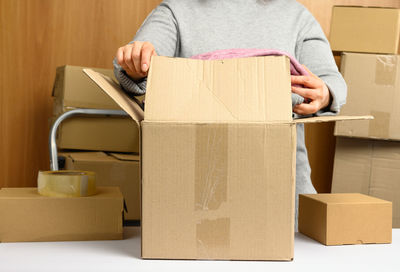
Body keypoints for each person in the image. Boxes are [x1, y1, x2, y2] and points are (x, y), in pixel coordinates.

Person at [113, 0, 346, 230]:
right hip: (196, 192)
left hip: (280, 190)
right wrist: (135, 63)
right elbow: (138, 68)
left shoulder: (296, 15)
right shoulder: (176, 10)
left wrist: (324, 93)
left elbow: (331, 81)